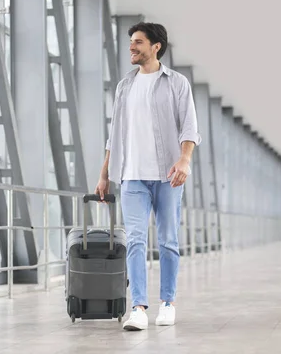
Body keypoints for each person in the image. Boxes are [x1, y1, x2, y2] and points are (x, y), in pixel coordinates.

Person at [94, 22, 201, 330]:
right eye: (131, 41)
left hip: (168, 177)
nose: (132, 46)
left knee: (168, 241)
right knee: (137, 241)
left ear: (156, 47)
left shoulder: (177, 83)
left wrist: (184, 159)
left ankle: (167, 303)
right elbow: (114, 135)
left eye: (138, 42)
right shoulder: (124, 86)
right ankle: (139, 308)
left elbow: (189, 127)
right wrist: (104, 174)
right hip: (132, 177)